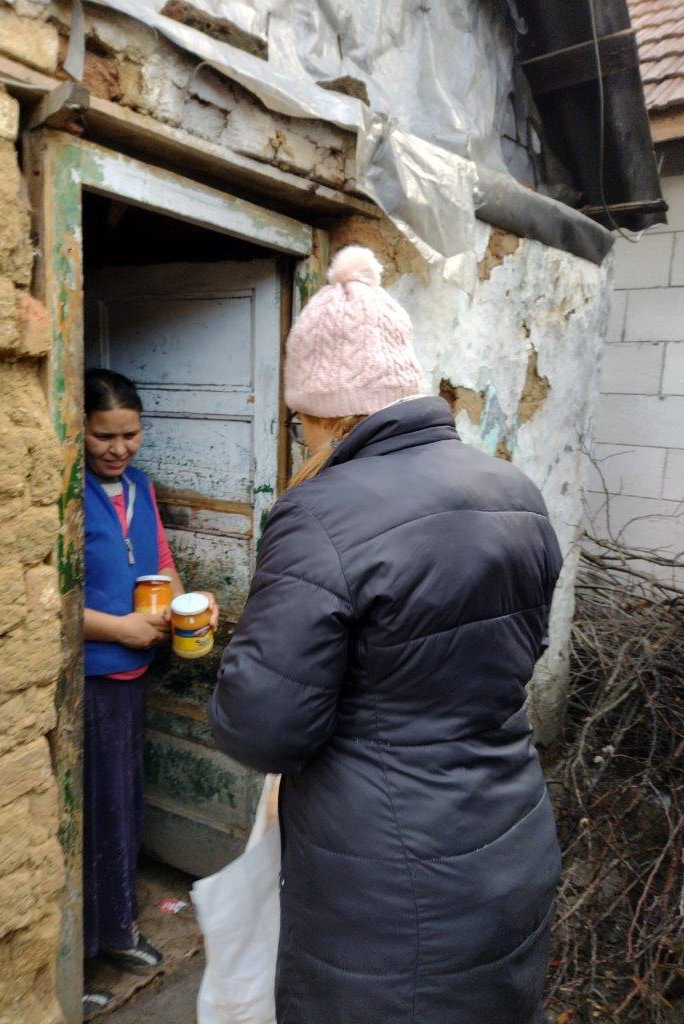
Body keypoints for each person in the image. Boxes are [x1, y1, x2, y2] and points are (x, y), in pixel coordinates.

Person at [209, 246, 563, 1024]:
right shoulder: (515, 491)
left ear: (326, 412)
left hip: (385, 888)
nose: (301, 440)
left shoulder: (323, 512)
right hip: (511, 843)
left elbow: (263, 726)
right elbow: (509, 660)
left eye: (301, 422)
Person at [81, 368, 218, 1016]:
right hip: (89, 680)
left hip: (133, 677)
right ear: (79, 429)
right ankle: (77, 955)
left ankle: (117, 931)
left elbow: (161, 563)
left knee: (123, 806)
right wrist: (121, 627)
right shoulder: (67, 494)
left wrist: (189, 603)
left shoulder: (138, 487)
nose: (118, 448)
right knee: (89, 816)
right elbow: (52, 599)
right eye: (103, 434)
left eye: (129, 434)